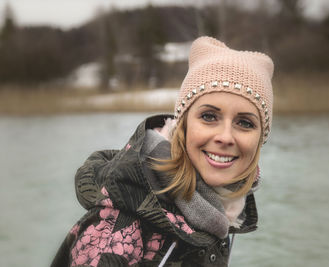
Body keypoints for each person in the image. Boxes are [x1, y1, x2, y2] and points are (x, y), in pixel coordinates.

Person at [51, 36, 274, 267]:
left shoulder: (221, 209)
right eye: (209, 116)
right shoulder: (114, 233)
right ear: (182, 125)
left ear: (260, 139)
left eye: (245, 123)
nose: (226, 137)